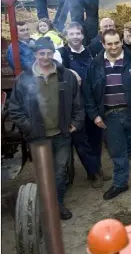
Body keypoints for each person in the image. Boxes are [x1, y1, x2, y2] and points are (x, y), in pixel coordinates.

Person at [8, 37, 84, 219]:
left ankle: (56, 205)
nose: (45, 57)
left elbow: (77, 103)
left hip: (62, 133)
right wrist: (30, 128)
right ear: (35, 55)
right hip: (38, 136)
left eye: (49, 53)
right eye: (42, 53)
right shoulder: (25, 78)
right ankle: (47, 207)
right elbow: (15, 109)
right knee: (44, 173)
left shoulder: (65, 75)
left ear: (53, 54)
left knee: (60, 171)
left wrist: (75, 123)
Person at [84, 29, 131, 201]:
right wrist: (95, 115)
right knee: (117, 153)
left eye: (117, 42)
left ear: (121, 42)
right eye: (109, 43)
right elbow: (87, 93)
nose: (113, 47)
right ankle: (120, 183)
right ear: (103, 44)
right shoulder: (95, 64)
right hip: (109, 117)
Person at [53, 22, 109, 188]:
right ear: (66, 36)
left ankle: (97, 167)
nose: (75, 37)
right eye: (71, 34)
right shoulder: (60, 53)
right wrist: (70, 72)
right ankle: (93, 172)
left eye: (78, 33)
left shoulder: (92, 51)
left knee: (96, 137)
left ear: (83, 35)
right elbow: (54, 69)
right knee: (81, 139)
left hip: (92, 100)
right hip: (73, 104)